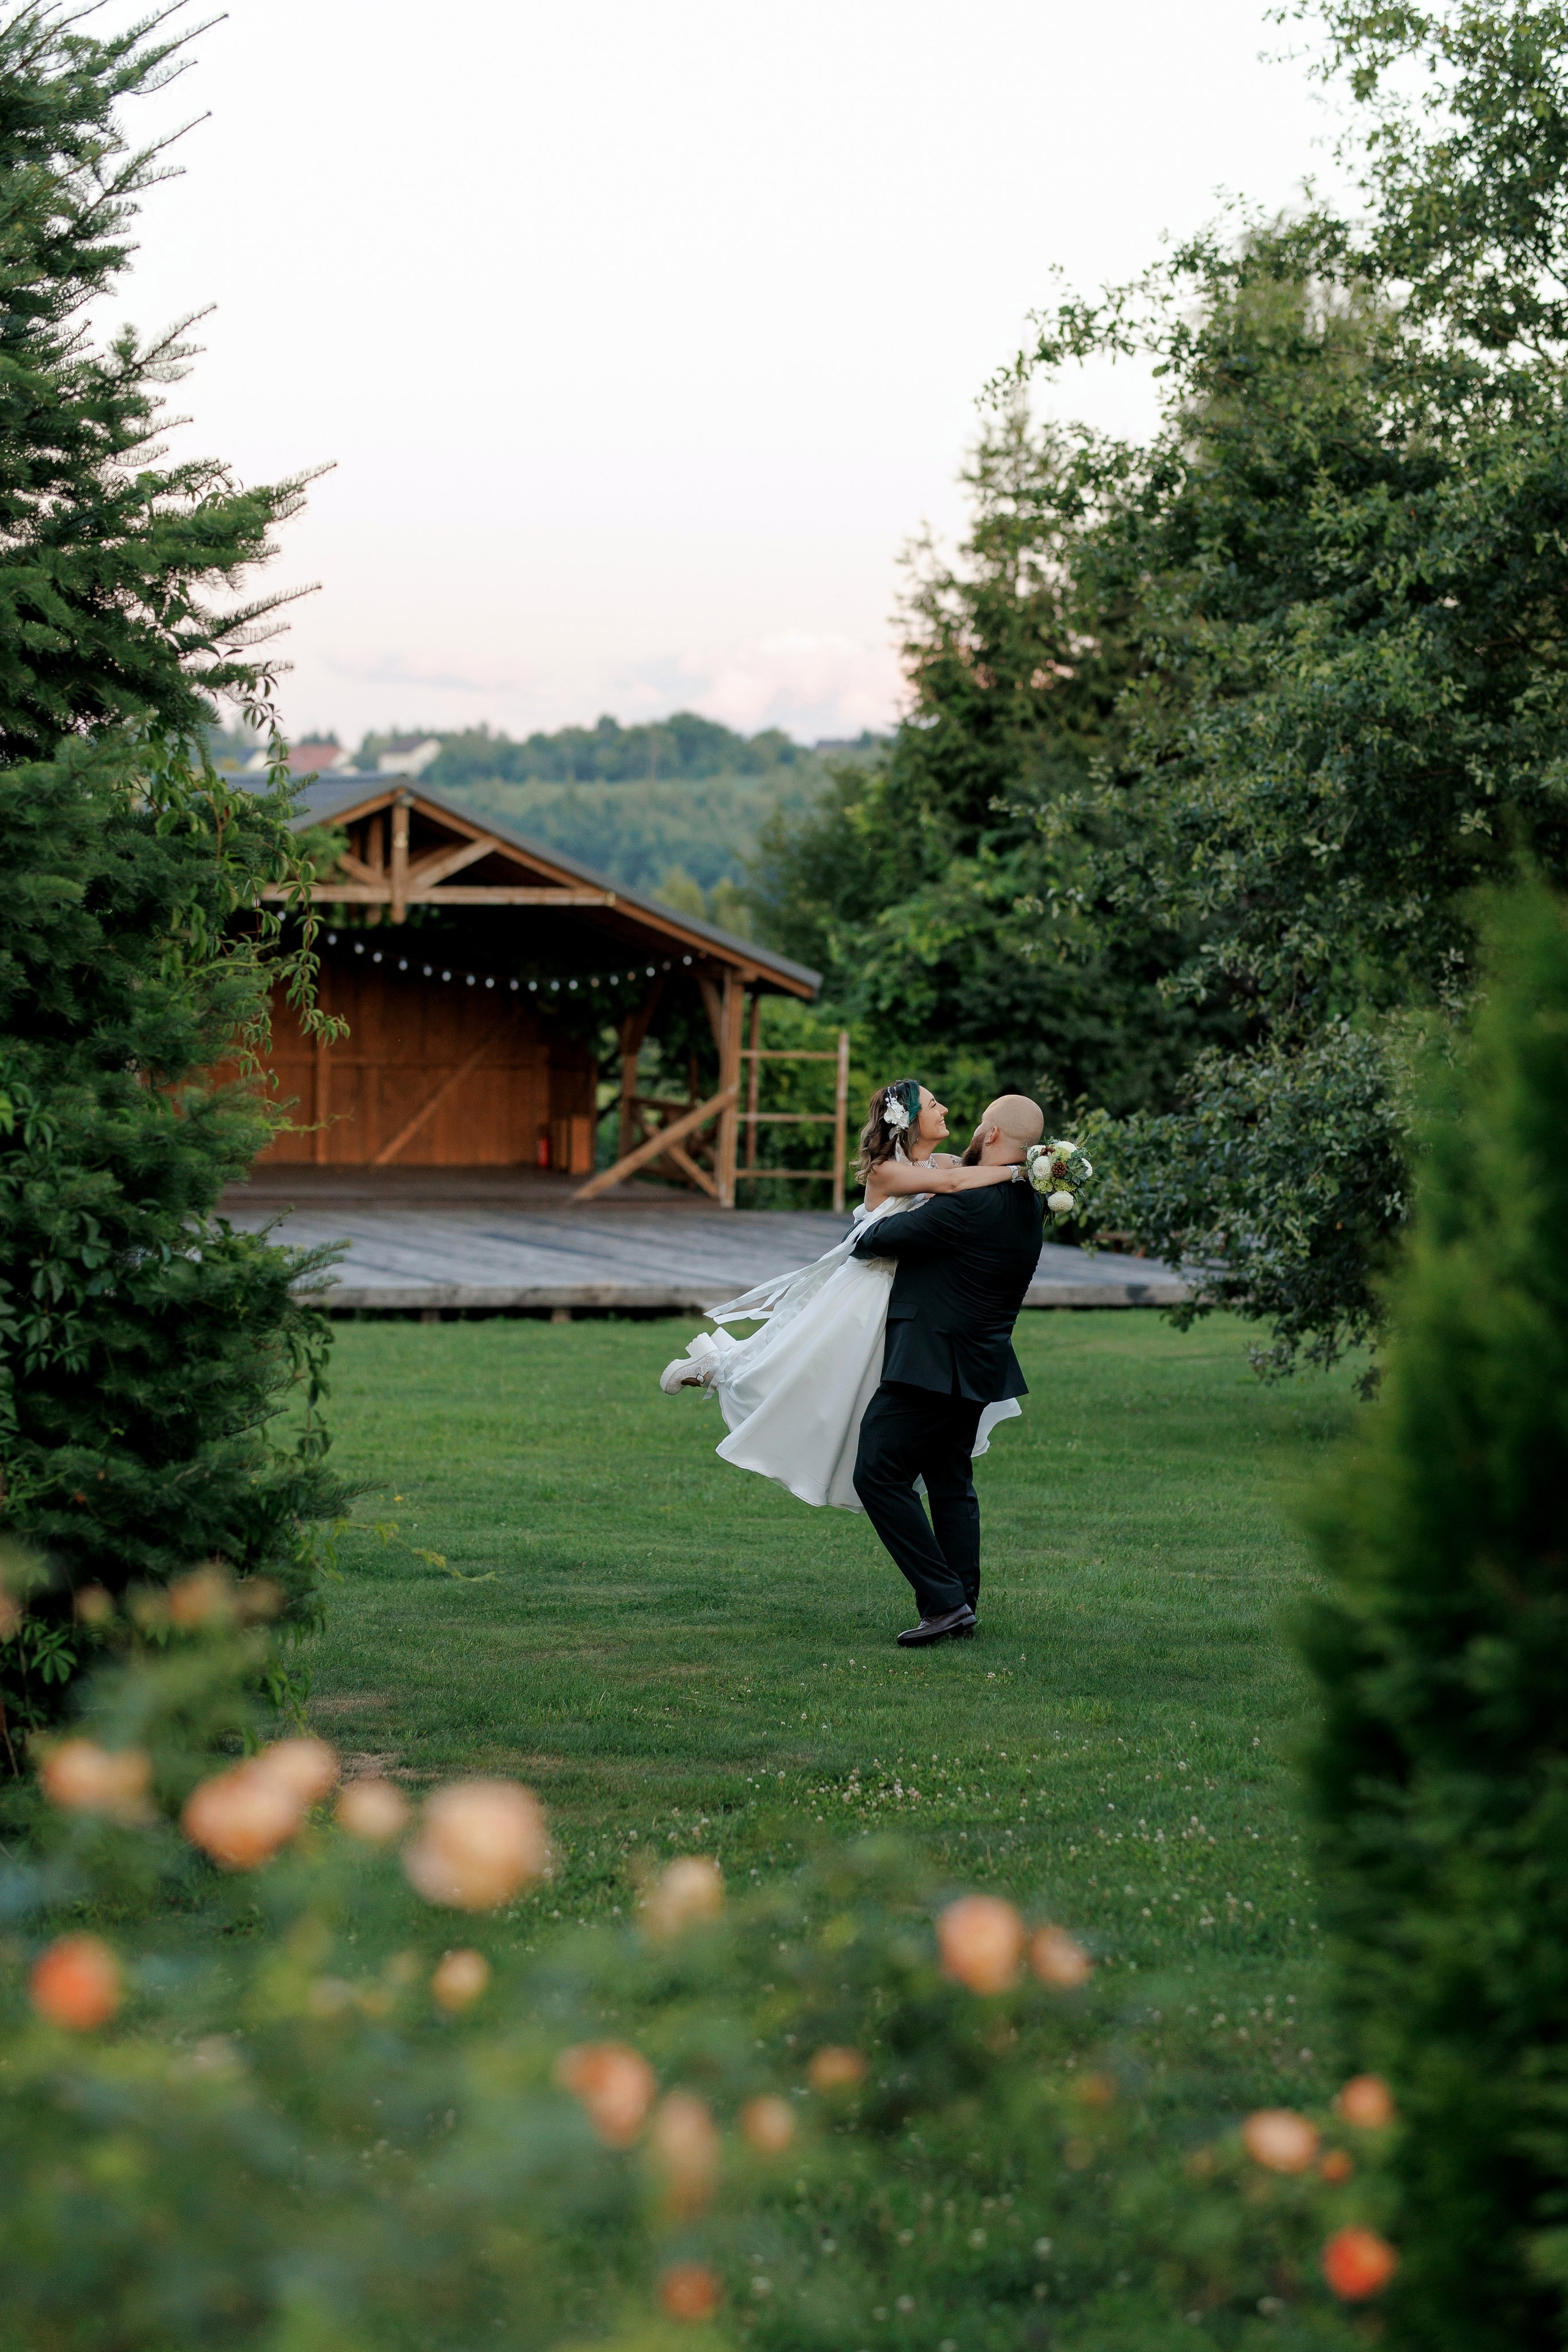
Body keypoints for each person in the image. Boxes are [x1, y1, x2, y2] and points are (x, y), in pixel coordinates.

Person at [656, 1080, 1027, 1517]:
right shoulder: (887, 1170)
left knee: (859, 1389)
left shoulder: (937, 1161)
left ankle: (878, 1467)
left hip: (906, 1294)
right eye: (932, 1104)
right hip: (868, 1285)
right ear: (909, 1120)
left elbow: (965, 1173)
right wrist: (1021, 1172)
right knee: (803, 1370)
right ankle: (717, 1369)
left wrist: (1037, 1161)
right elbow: (956, 1183)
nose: (944, 1108)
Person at [850, 1091, 1046, 1646]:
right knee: (950, 1482)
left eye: (980, 1123)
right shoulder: (1029, 1201)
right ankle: (961, 1603)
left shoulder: (966, 1205)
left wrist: (866, 1219)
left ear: (989, 1136)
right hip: (981, 1362)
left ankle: (944, 1602)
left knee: (877, 1473)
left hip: (930, 1364)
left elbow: (873, 1241)